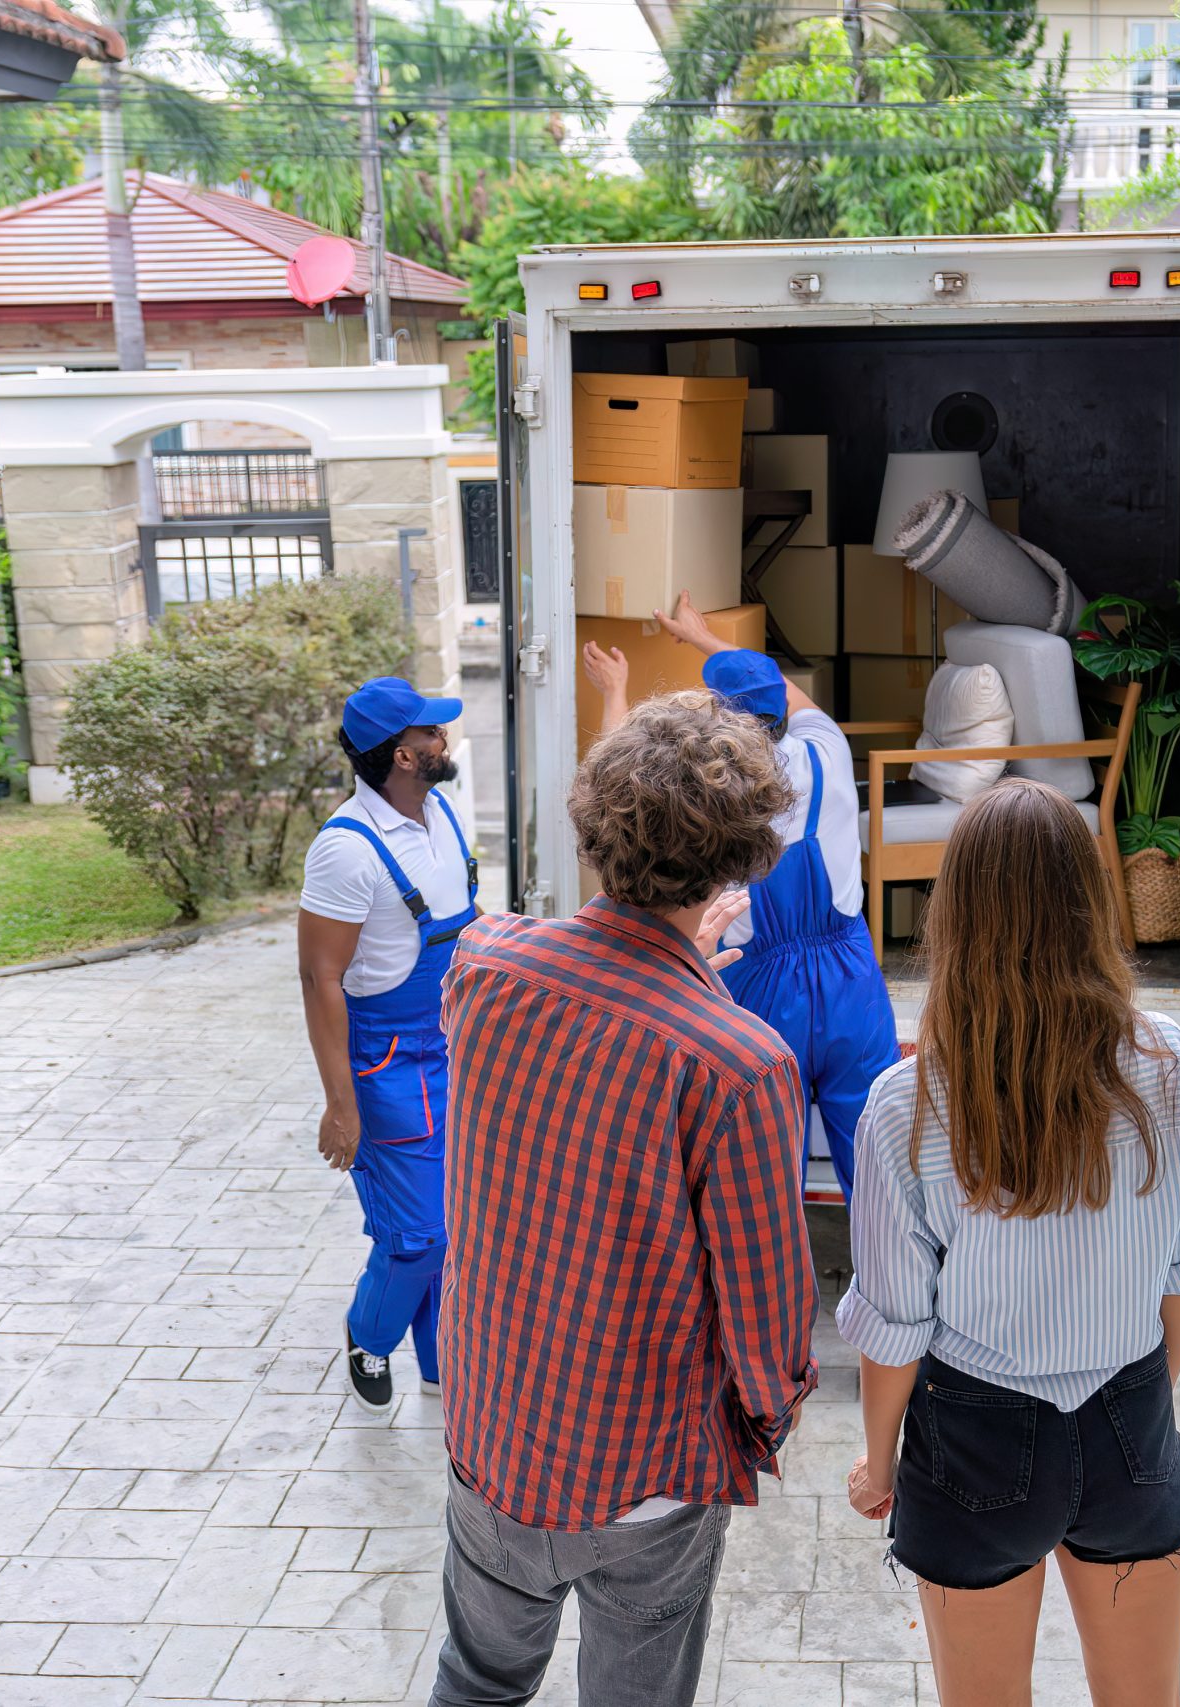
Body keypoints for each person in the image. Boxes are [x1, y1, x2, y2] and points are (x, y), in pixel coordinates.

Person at [432, 691, 819, 1707]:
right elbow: (768, 1315)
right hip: (645, 1469)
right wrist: (761, 1429)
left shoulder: (482, 967)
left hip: (492, 1436)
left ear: (597, 827)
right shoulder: (736, 1060)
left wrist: (688, 964)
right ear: (742, 860)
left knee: (475, 1681)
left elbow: (597, 1011)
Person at [837, 780, 1180, 1707]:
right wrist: (1142, 1405)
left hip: (974, 1442)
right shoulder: (1169, 1064)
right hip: (1130, 1413)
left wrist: (879, 1463)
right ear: (1091, 904)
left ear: (956, 918)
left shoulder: (907, 1103)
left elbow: (893, 1329)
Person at [580, 593, 898, 1200]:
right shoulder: (827, 748)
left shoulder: (715, 790)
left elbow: (628, 787)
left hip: (757, 990)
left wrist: (615, 688)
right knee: (878, 1160)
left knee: (765, 1176)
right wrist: (705, 639)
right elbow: (778, 686)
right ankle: (890, 1284)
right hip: (850, 980)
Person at [295, 676, 474, 1416]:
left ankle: (441, 1361)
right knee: (418, 1234)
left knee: (457, 1221)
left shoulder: (444, 814)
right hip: (389, 1062)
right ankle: (369, 1331)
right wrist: (342, 1104)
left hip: (456, 1049)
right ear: (404, 754)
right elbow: (318, 978)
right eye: (431, 733)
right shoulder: (345, 851)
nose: (444, 740)